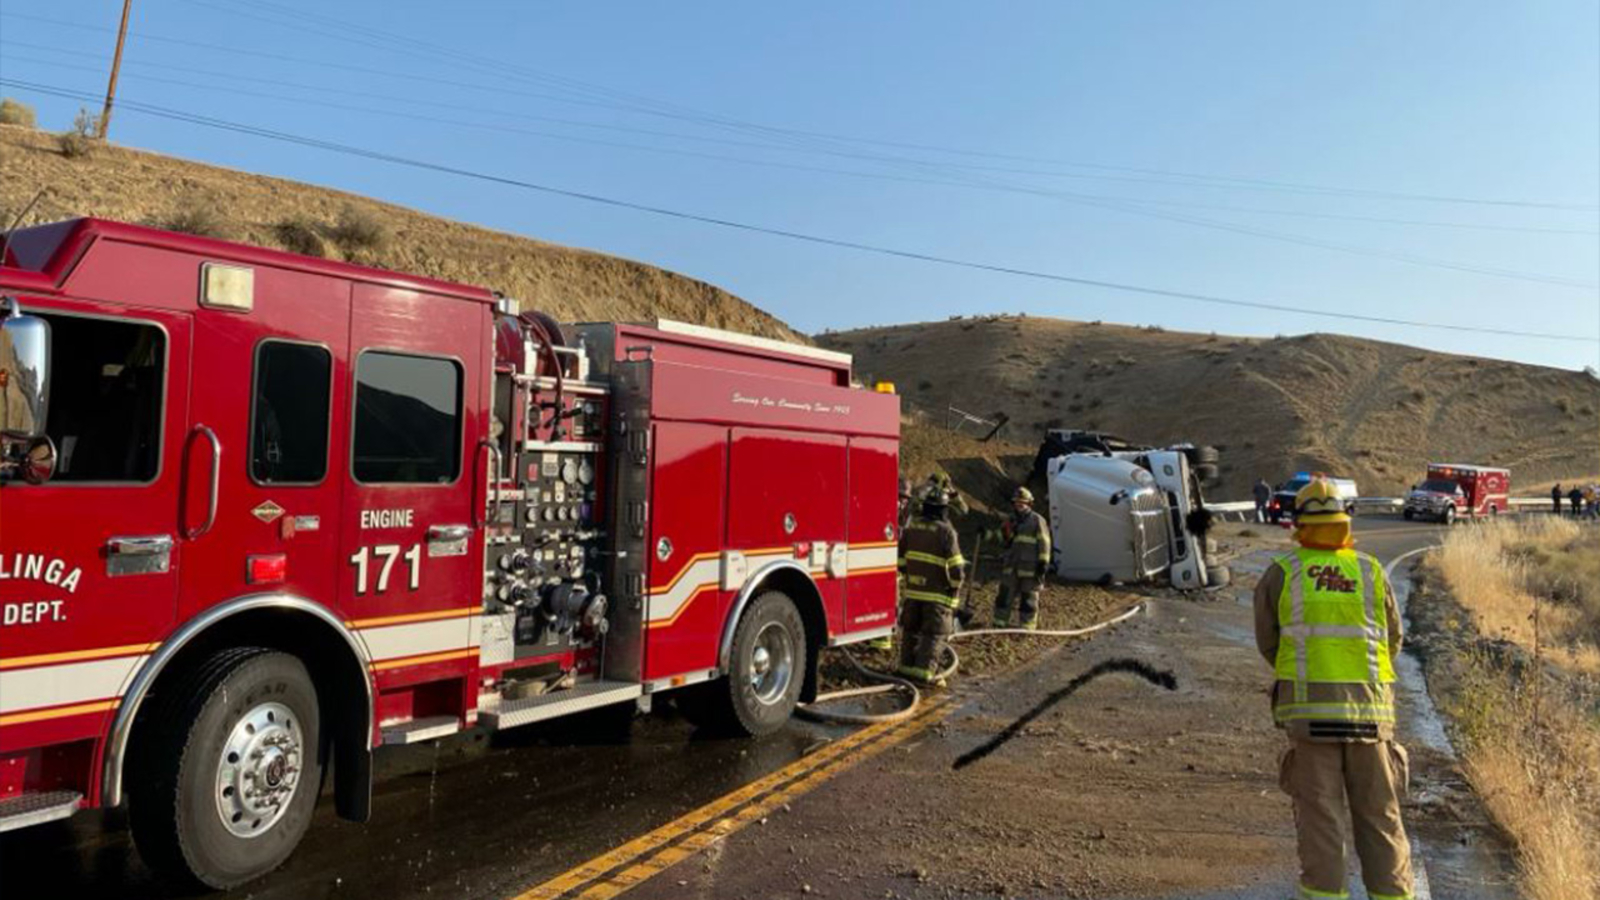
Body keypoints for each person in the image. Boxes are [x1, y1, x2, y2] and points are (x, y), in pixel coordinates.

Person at [1254, 477, 1413, 900]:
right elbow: (1392, 640)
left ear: (1298, 524)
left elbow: (1270, 643)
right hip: (1370, 717)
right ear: (1345, 522)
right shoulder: (1370, 570)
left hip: (1310, 719)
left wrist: (1307, 673)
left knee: (1321, 822)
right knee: (1381, 819)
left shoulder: (1281, 573)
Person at [896, 484, 965, 685]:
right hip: (937, 595)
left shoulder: (911, 528)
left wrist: (911, 575)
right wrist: (954, 586)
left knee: (910, 630)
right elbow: (956, 568)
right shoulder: (946, 532)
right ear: (943, 509)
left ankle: (905, 668)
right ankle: (924, 675)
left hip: (913, 592)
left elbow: (901, 561)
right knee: (934, 634)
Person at [991, 486, 1052, 630]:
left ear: (1029, 504)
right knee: (1004, 597)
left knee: (1028, 600)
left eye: (1022, 503)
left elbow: (1045, 542)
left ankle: (1027, 628)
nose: (1019, 506)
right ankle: (999, 624)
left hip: (1030, 568)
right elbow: (1000, 537)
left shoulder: (1037, 520)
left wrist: (1043, 563)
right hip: (1011, 566)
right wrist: (985, 534)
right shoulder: (1010, 520)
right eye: (1017, 503)